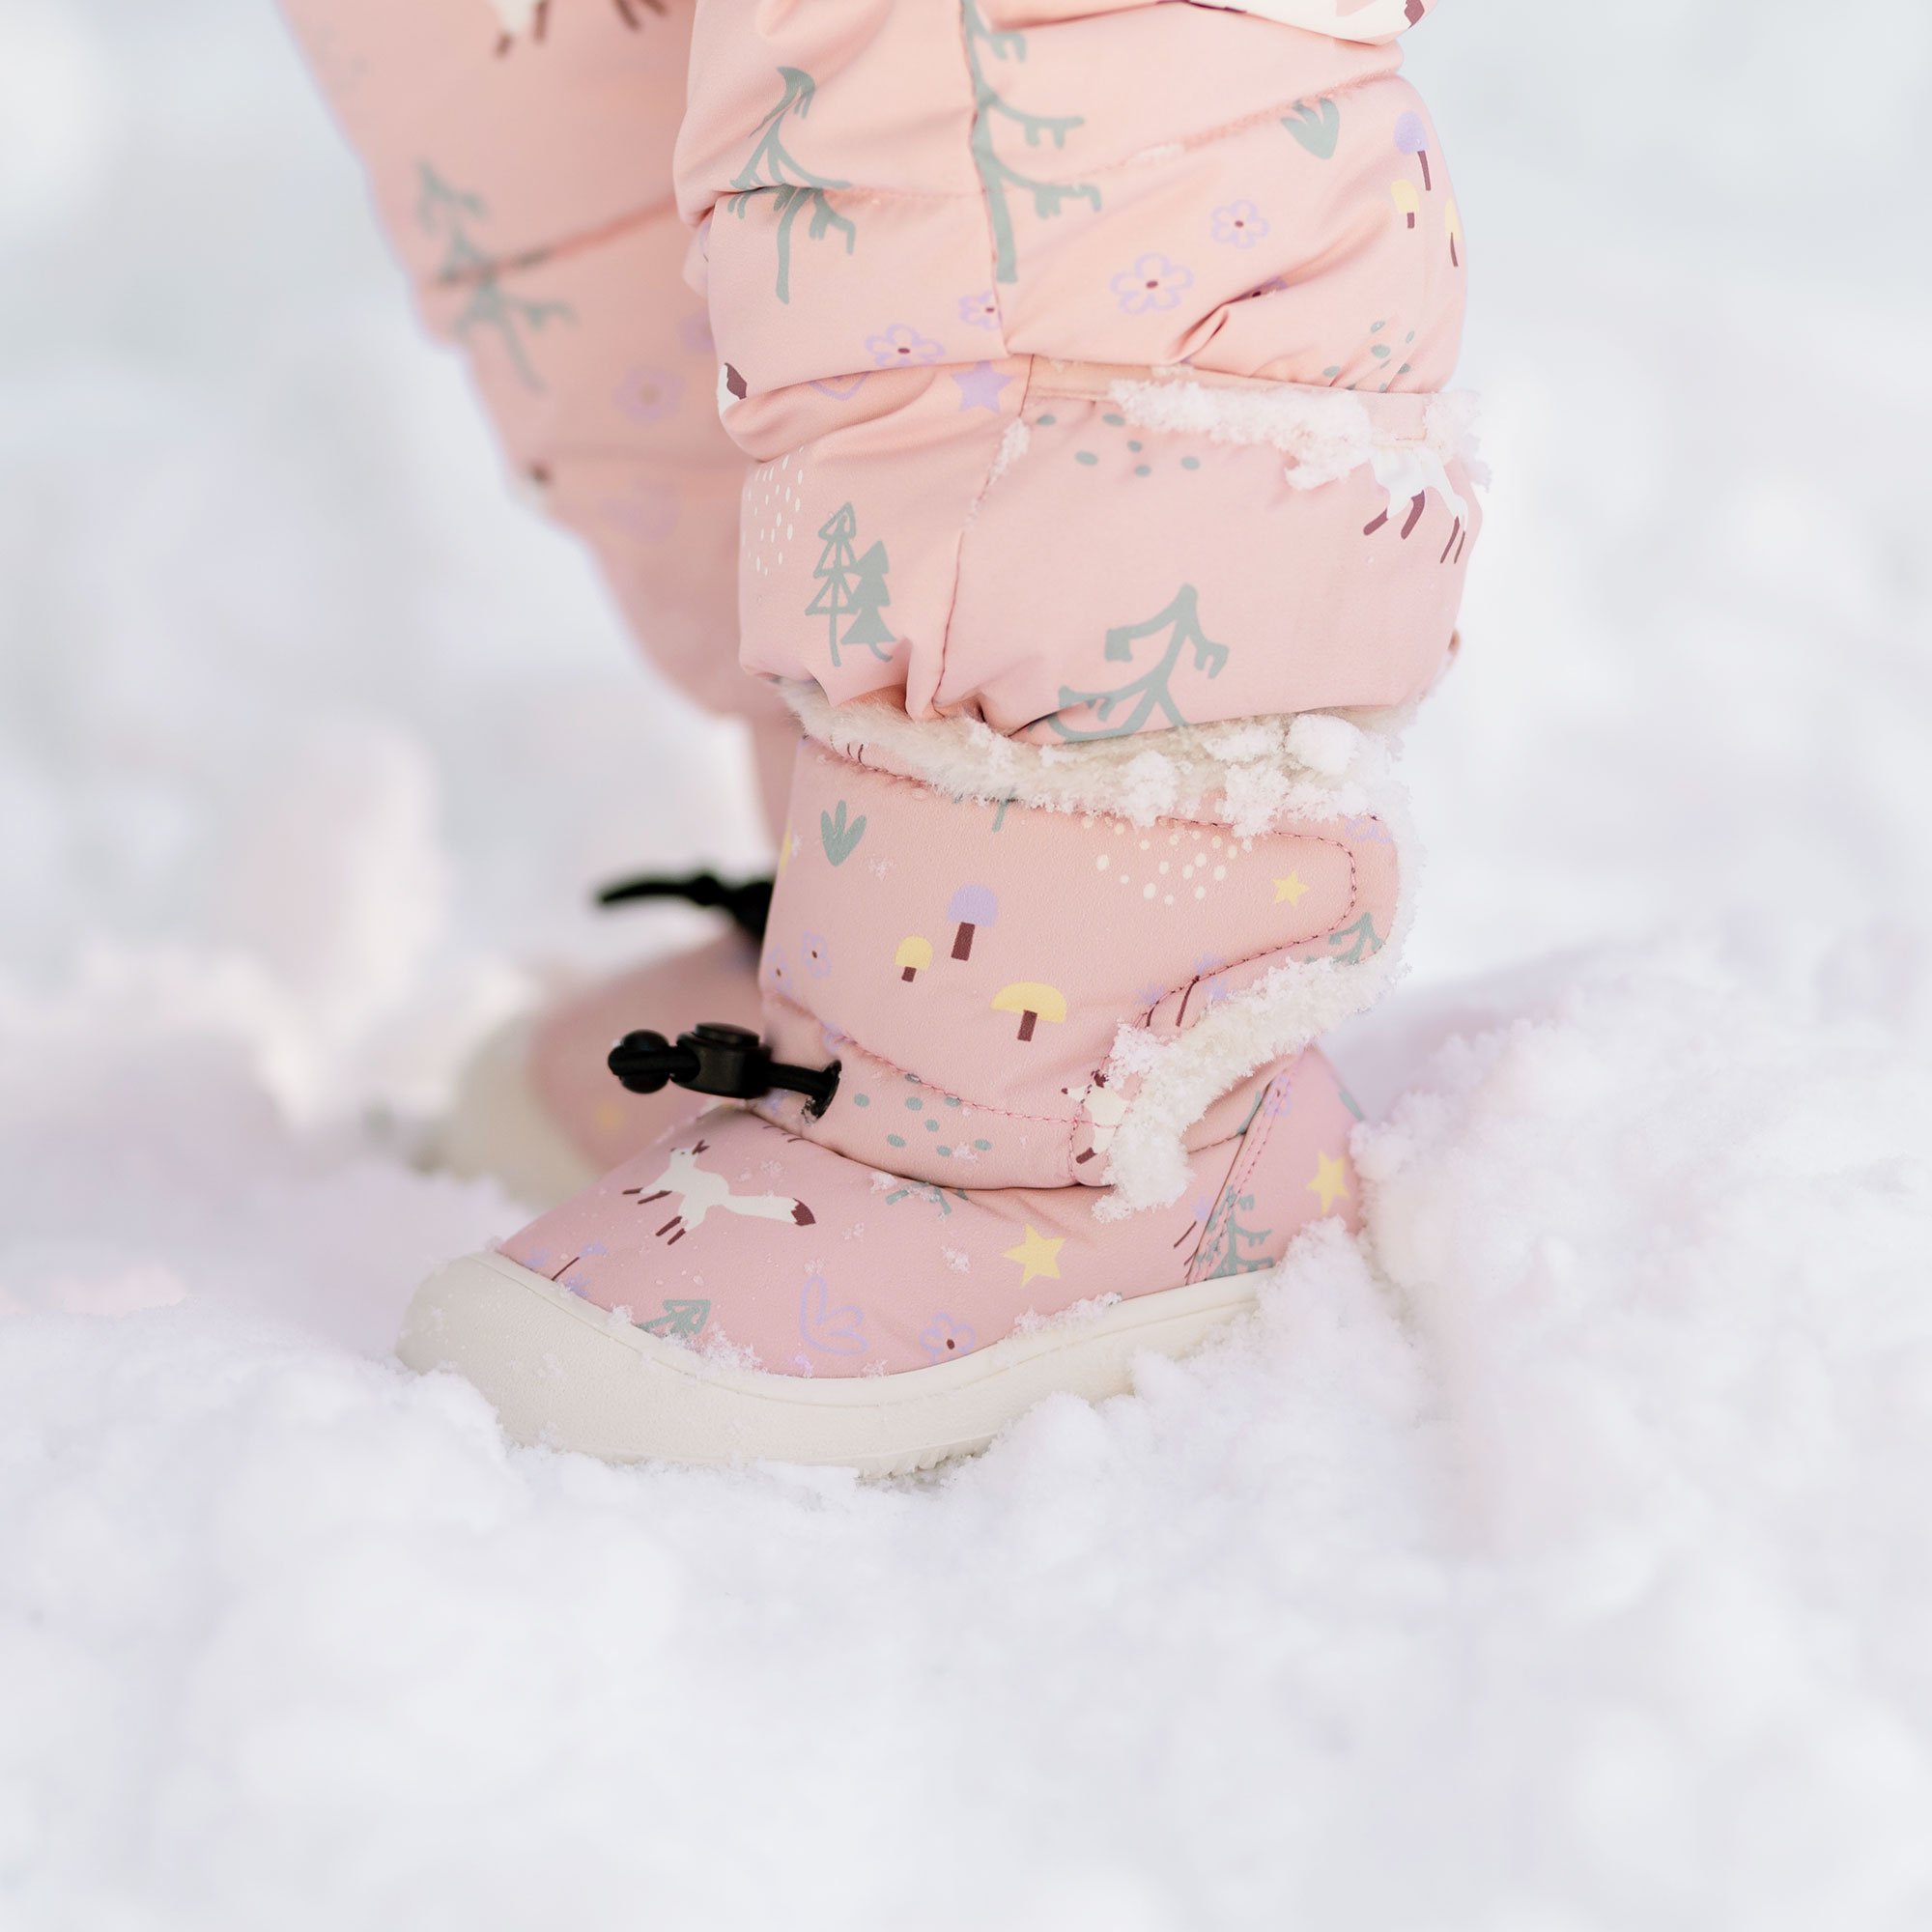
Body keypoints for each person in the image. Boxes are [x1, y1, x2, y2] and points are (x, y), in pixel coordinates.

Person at [278, 0, 1478, 1471]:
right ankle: (866, 900)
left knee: (1025, 52)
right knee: (579, 71)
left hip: (1117, 1078)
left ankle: (1101, 1063)